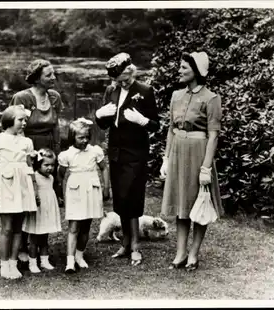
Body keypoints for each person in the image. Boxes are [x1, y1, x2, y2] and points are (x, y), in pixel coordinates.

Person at [159, 51, 224, 271]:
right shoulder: (176, 96)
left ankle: (194, 253)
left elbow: (213, 135)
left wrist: (206, 167)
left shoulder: (211, 98)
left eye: (184, 68)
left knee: (199, 203)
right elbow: (170, 129)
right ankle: (180, 253)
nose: (179, 71)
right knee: (181, 205)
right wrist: (166, 159)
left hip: (199, 154)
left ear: (196, 71)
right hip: (178, 153)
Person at [95, 52, 160, 266]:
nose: (120, 83)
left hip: (135, 153)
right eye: (117, 79)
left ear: (130, 71)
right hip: (116, 152)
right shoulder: (111, 90)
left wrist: (142, 121)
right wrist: (99, 115)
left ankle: (135, 247)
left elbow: (155, 125)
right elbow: (105, 125)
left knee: (133, 198)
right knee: (121, 199)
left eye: (123, 78)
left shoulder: (144, 91)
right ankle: (125, 244)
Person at [9, 59, 64, 263]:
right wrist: (23, 156)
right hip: (27, 150)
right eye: (48, 75)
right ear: (36, 77)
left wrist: (56, 153)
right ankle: (21, 244)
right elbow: (14, 128)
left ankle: (41, 244)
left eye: (53, 74)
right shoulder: (22, 97)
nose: (53, 78)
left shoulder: (55, 97)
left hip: (48, 150)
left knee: (45, 195)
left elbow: (56, 127)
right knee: (25, 196)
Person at [0, 105, 39, 279]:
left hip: (22, 185)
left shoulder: (27, 142)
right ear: (9, 121)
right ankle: (4, 264)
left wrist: (34, 188)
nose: (24, 123)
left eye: (25, 120)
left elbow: (29, 167)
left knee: (18, 228)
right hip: (6, 185)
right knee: (7, 227)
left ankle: (13, 263)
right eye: (20, 120)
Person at [57, 118, 110, 274]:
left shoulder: (95, 151)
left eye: (87, 136)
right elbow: (61, 175)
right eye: (81, 137)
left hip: (91, 189)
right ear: (72, 137)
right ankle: (70, 261)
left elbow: (104, 168)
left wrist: (106, 187)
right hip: (75, 191)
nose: (85, 140)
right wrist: (60, 192)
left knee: (86, 225)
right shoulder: (66, 155)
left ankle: (80, 255)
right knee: (74, 226)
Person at [22, 148, 62, 273]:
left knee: (44, 237)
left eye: (52, 165)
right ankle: (32, 262)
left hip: (47, 211)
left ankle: (44, 261)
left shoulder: (50, 178)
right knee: (34, 238)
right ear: (39, 164)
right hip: (37, 211)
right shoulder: (35, 178)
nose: (50, 168)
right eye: (46, 165)